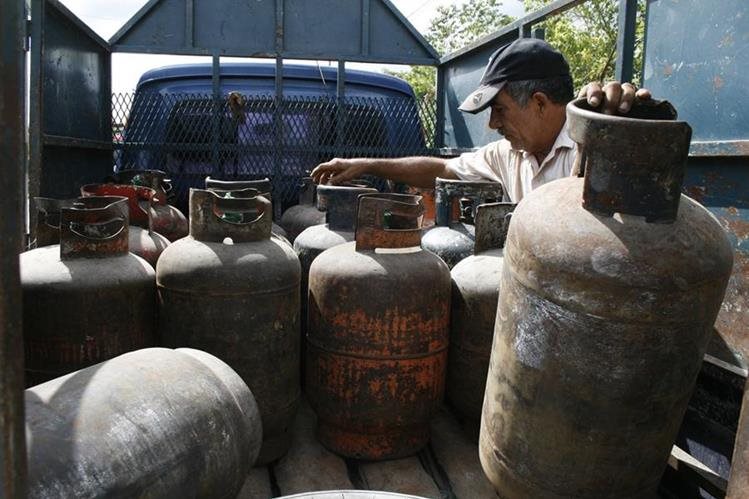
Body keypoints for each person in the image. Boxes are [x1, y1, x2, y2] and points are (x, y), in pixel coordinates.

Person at [311, 38, 651, 203]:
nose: (492, 125)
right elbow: (442, 169)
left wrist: (629, 123)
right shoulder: (508, 154)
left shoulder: (597, 145)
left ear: (539, 103)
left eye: (499, 110)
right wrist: (365, 165)